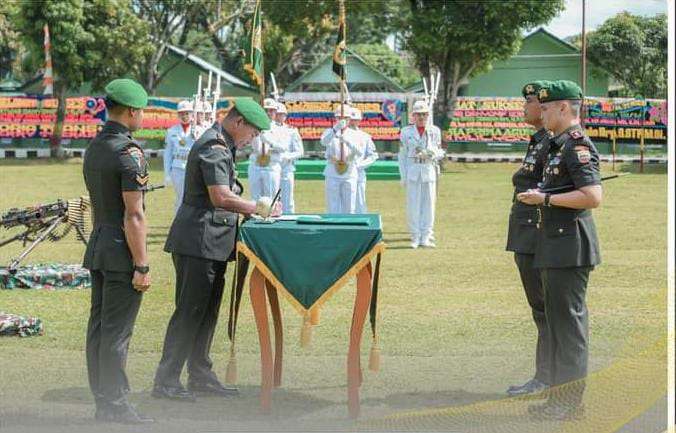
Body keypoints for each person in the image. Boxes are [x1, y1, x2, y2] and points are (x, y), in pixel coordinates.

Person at [153, 98, 281, 402]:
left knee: (207, 311)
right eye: (253, 131)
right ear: (237, 123)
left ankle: (200, 374)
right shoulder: (215, 146)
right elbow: (221, 196)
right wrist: (259, 208)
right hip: (198, 240)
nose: (254, 138)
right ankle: (166, 380)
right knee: (189, 311)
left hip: (212, 242)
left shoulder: (223, 143)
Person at [518, 80, 602, 421]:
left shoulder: (577, 145)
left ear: (563, 108)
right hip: (553, 244)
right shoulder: (557, 145)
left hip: (570, 246)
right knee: (555, 324)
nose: (543, 112)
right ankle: (557, 400)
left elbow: (593, 197)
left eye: (548, 107)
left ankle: (570, 405)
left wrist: (546, 198)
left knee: (569, 329)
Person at [82, 78, 153, 424]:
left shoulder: (95, 147)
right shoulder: (130, 153)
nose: (142, 117)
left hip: (98, 246)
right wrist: (142, 265)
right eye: (141, 111)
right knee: (116, 333)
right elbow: (134, 214)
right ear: (132, 111)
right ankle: (117, 404)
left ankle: (102, 402)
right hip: (121, 252)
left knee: (98, 329)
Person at [505, 81, 552, 397]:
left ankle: (548, 377)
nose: (525, 106)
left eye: (531, 102)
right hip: (525, 232)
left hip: (538, 234)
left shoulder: (552, 142)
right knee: (540, 309)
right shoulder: (538, 141)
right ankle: (546, 376)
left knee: (546, 309)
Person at [398, 100, 445, 248]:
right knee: (413, 205)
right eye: (418, 114)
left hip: (428, 168)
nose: (421, 117)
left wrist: (431, 154)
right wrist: (403, 175)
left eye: (424, 114)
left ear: (428, 115)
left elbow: (440, 151)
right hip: (413, 168)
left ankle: (426, 235)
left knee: (429, 204)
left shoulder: (434, 131)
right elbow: (402, 155)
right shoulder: (406, 131)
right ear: (413, 116)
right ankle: (415, 236)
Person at [320, 104, 363, 214]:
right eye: (339, 118)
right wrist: (336, 129)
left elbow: (360, 152)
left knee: (349, 207)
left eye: (345, 118)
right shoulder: (330, 132)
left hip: (349, 172)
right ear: (336, 118)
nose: (342, 121)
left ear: (349, 120)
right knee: (332, 206)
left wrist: (348, 142)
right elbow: (323, 142)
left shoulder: (355, 134)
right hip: (333, 172)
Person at [164, 100, 196, 212]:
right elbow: (167, 153)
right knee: (181, 196)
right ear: (178, 115)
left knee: (191, 197)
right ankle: (179, 221)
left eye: (187, 113)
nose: (185, 116)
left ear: (192, 114)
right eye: (182, 113)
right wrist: (167, 173)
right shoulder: (172, 131)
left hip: (193, 167)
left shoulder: (197, 130)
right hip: (177, 168)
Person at [248, 98, 282, 201]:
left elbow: (283, 147)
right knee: (255, 198)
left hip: (271, 166)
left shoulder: (280, 129)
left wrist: (269, 141)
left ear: (276, 112)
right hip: (256, 165)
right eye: (266, 110)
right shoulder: (254, 126)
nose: (268, 113)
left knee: (271, 199)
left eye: (271, 110)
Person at [275, 102, 304, 213]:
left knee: (288, 199)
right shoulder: (267, 129)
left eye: (281, 114)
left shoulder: (291, 130)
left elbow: (300, 151)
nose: (279, 116)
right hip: (271, 166)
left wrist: (287, 156)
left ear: (285, 116)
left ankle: (288, 219)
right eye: (277, 114)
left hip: (286, 168)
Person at [348, 107, 378, 213]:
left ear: (360, 120)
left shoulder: (365, 136)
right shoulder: (339, 134)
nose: (352, 122)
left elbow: (373, 155)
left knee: (360, 201)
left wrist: (360, 165)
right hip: (343, 172)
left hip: (359, 173)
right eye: (350, 119)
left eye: (355, 119)